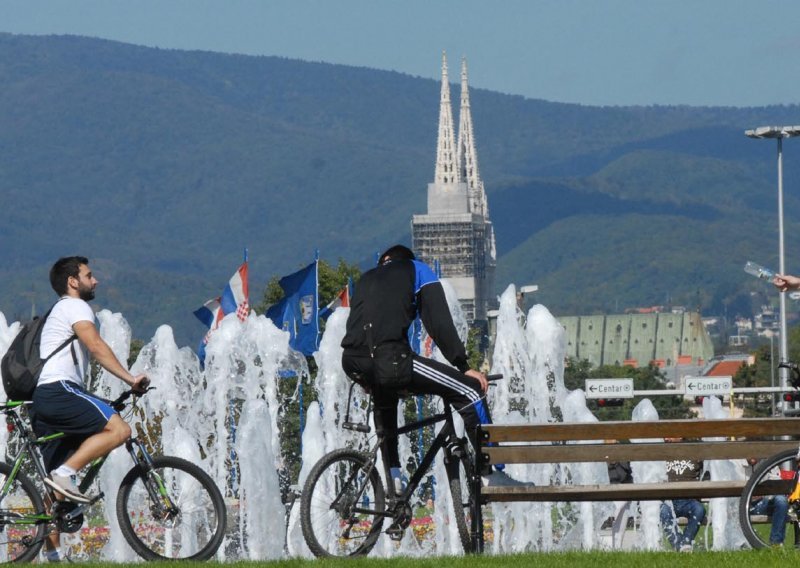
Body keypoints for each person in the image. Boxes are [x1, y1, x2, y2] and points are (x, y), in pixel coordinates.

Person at [340, 245, 518, 488]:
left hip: (353, 361)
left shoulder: (366, 278)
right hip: (390, 359)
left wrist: (365, 377)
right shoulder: (417, 270)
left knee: (386, 398)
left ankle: (394, 481)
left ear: (384, 261)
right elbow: (438, 322)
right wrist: (463, 365)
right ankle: (492, 470)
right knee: (470, 391)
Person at [31, 256, 149, 561]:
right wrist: (130, 378)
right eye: (89, 275)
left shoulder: (57, 311)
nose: (94, 281)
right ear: (73, 281)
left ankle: (53, 558)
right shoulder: (75, 306)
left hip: (45, 398)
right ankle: (65, 473)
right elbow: (95, 346)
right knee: (120, 429)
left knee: (53, 494)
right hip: (59, 391)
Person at [659, 445, 706, 552]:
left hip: (689, 500)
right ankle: (678, 544)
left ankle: (686, 541)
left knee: (699, 509)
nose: (667, 438)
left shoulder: (693, 451)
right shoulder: (661, 451)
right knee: (663, 511)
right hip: (668, 500)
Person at [743, 457, 788, 546]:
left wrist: (765, 494)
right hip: (740, 506)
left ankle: (776, 544)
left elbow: (778, 486)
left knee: (781, 501)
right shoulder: (735, 463)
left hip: (762, 503)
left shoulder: (769, 461)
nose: (753, 454)